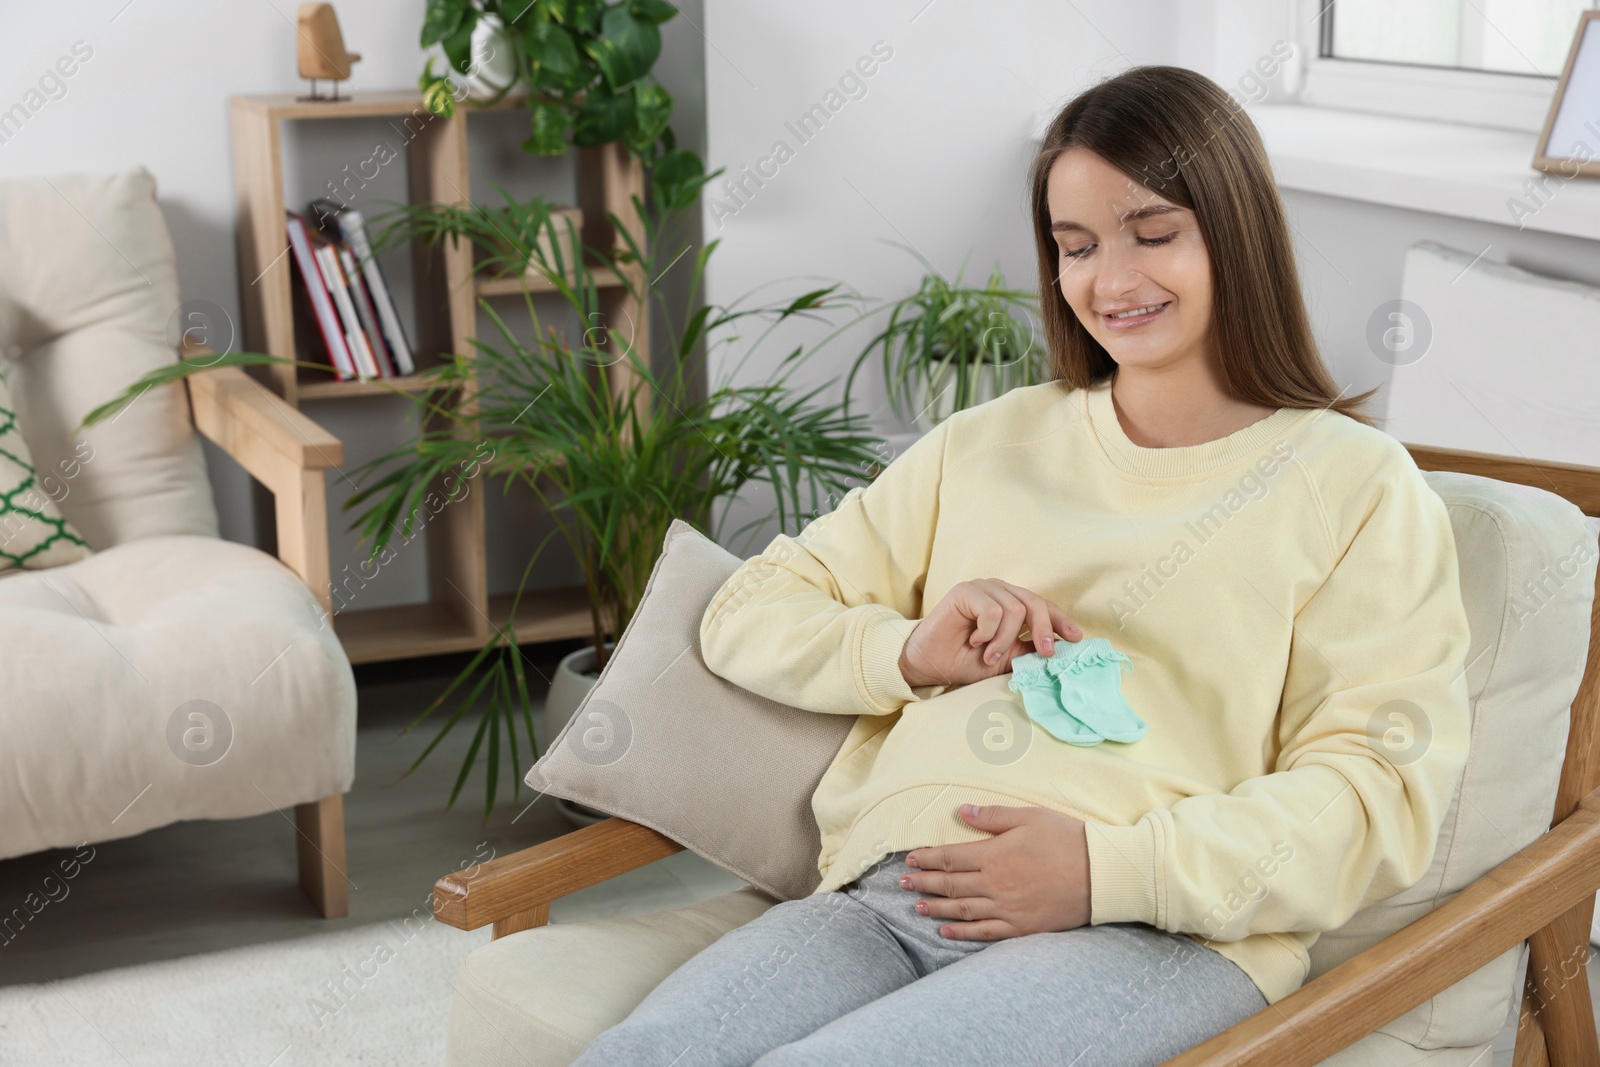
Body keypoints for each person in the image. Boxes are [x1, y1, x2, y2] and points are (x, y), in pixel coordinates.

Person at [570, 64, 1473, 1067]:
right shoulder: (988, 442)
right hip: (888, 893)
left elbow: (1375, 788)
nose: (1109, 280)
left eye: (1153, 232)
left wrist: (1103, 869)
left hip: (1152, 931)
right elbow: (748, 609)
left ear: (1236, 229)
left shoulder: (1352, 485)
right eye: (1075, 246)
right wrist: (906, 650)